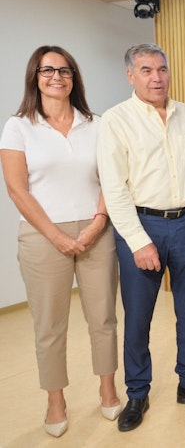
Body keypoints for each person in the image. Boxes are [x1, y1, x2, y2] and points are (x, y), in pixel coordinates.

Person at [97, 44, 185, 432]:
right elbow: (115, 189)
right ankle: (137, 392)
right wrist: (138, 241)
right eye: (147, 70)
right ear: (131, 76)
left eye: (162, 69)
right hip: (142, 224)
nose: (157, 77)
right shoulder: (116, 120)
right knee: (138, 318)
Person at [0, 46, 120, 438]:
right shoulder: (18, 126)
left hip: (96, 230)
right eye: (47, 70)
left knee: (102, 318)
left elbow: (112, 179)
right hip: (41, 234)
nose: (57, 77)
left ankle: (107, 389)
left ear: (74, 77)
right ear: (35, 76)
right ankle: (56, 400)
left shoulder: (96, 123)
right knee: (49, 326)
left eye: (64, 70)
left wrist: (97, 223)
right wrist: (57, 236)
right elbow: (17, 190)